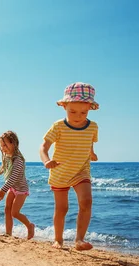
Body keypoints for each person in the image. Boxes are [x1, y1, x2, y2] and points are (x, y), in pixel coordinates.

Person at [39, 82, 99, 251]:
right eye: (72, 111)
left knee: (86, 201)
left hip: (81, 170)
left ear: (90, 108)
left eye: (83, 112)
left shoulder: (93, 127)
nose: (78, 116)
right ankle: (58, 239)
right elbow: (43, 147)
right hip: (60, 171)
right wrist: (46, 160)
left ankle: (79, 240)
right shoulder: (58, 126)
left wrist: (91, 153)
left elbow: (89, 143)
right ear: (64, 106)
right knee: (62, 208)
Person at [0, 131, 35, 240]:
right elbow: (4, 167)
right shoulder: (7, 157)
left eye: (5, 145)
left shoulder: (18, 160)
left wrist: (3, 190)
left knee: (14, 212)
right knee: (7, 209)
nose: (3, 148)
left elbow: (13, 178)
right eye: (1, 145)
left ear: (13, 143)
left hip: (21, 190)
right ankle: (8, 233)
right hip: (13, 188)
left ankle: (30, 226)